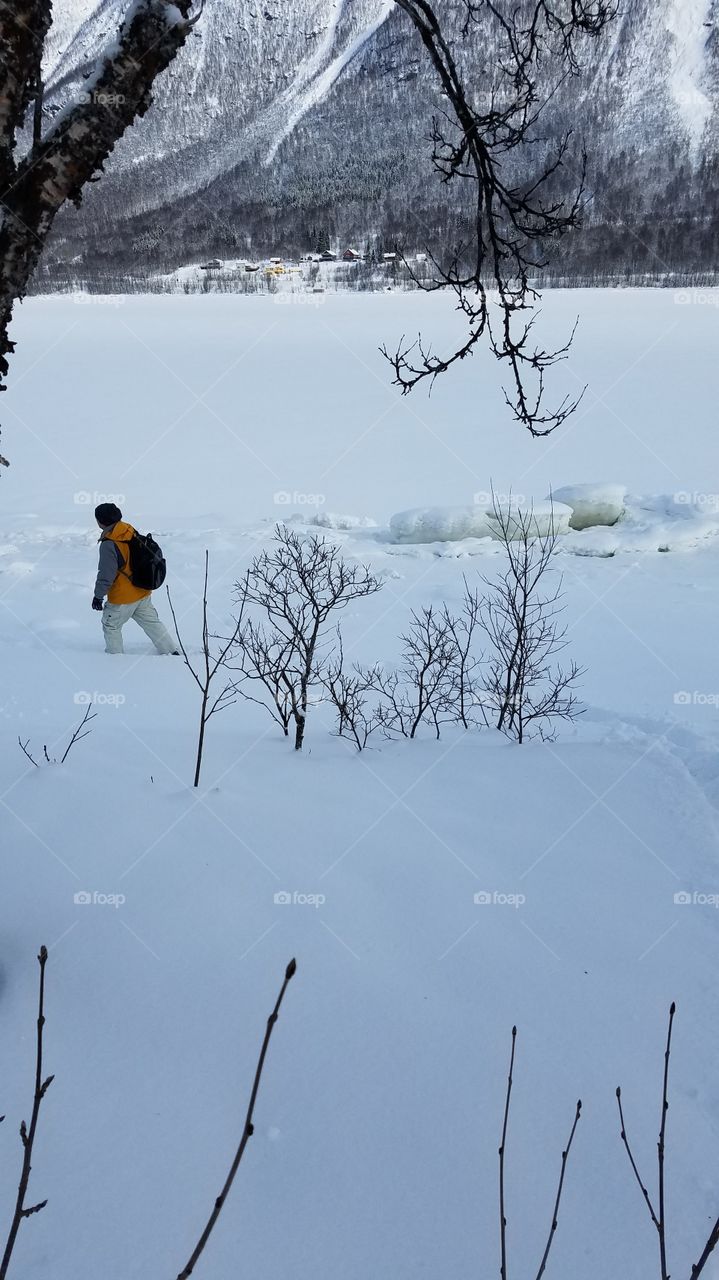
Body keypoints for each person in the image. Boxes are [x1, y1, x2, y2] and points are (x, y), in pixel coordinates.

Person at [91, 503, 178, 655]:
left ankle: (114, 659)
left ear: (100, 521)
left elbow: (106, 574)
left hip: (122, 598)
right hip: (142, 591)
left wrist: (98, 596)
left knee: (111, 626)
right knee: (152, 623)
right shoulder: (128, 529)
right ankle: (171, 651)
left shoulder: (109, 544)